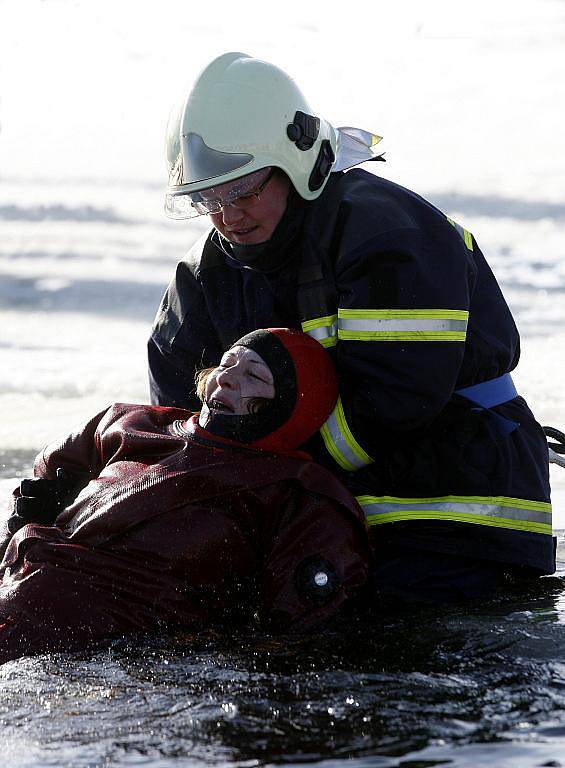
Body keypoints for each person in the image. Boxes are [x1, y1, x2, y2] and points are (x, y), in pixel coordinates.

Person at [148, 52, 555, 604]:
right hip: (314, 520)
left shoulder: (382, 232)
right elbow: (176, 414)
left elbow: (396, 400)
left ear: (295, 163)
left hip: (453, 518)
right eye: (206, 199)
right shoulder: (204, 277)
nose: (227, 215)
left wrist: (264, 477)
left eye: (243, 191)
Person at [0, 329, 371, 664]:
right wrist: (37, 509)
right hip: (18, 592)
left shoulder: (297, 494)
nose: (226, 377)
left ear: (292, 405)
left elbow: (293, 627)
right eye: (227, 364)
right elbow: (49, 469)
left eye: (253, 376)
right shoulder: (133, 424)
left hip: (99, 646)